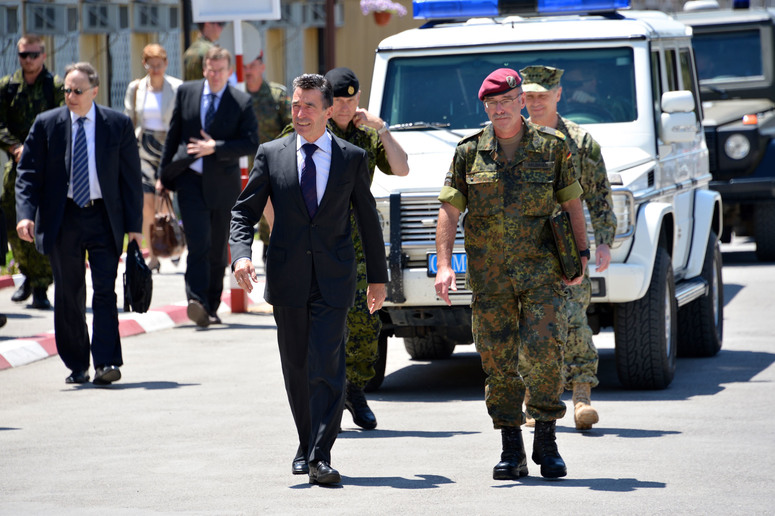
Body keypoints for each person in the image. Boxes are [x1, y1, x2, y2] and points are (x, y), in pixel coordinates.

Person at [230, 74, 388, 485]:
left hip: (334, 278)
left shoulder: (351, 157)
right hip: (287, 277)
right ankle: (305, 441)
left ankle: (320, 453)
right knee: (296, 366)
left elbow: (369, 222)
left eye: (309, 107)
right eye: (296, 106)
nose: (300, 114)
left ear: (328, 110)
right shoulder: (271, 154)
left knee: (328, 363)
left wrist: (378, 279)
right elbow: (243, 212)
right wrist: (241, 257)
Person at [434, 68, 588, 480]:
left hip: (542, 272)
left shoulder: (552, 147)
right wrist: (445, 264)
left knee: (544, 355)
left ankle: (547, 442)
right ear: (485, 106)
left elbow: (572, 203)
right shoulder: (469, 152)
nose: (499, 110)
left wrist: (581, 256)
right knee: (497, 360)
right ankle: (510, 448)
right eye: (492, 104)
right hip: (490, 277)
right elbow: (449, 210)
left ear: (522, 101)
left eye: (506, 102)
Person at [15, 62, 143, 385]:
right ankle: (77, 363)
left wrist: (135, 229)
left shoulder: (117, 124)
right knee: (69, 294)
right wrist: (25, 215)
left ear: (94, 91)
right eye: (67, 90)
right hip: (64, 218)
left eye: (77, 91)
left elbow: (130, 180)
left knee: (104, 291)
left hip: (103, 218)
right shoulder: (47, 124)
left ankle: (107, 362)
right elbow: (27, 174)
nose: (70, 96)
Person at [520, 65, 617, 431]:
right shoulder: (515, 137)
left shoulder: (580, 142)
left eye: (542, 96)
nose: (535, 103)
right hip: (525, 248)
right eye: (529, 96)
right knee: (529, 326)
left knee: (574, 321)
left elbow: (599, 195)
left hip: (566, 247)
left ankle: (581, 398)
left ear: (558, 95)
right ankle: (534, 399)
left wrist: (604, 240)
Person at [323, 66, 409, 430]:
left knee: (363, 324)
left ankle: (354, 390)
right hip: (319, 243)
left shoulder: (366, 135)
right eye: (338, 100)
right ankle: (328, 397)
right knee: (326, 324)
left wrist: (382, 128)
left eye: (351, 100)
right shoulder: (309, 129)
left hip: (359, 243)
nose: (344, 107)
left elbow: (402, 169)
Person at [159, 46, 257, 328]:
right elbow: (173, 135)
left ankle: (211, 306)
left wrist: (216, 147)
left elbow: (250, 142)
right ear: (204, 70)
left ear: (229, 72)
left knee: (216, 249)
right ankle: (197, 301)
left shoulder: (240, 101)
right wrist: (163, 176)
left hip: (223, 186)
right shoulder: (187, 92)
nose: (215, 75)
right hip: (189, 181)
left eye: (221, 71)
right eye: (211, 70)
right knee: (198, 244)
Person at [0, 34, 64, 310]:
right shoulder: (8, 86)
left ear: (43, 55)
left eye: (33, 55)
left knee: (43, 221)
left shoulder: (55, 86)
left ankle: (42, 284)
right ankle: (26, 274)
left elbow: (63, 122)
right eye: (23, 55)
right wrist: (15, 147)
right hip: (17, 164)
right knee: (13, 220)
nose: (28, 60)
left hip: (47, 167)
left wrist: (38, 149)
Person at [124, 43, 183, 272]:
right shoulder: (136, 88)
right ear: (144, 64)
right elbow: (129, 119)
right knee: (146, 204)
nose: (156, 69)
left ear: (166, 64)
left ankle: (173, 238)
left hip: (168, 146)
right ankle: (155, 253)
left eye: (159, 65)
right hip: (143, 148)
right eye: (151, 65)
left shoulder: (177, 88)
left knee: (164, 199)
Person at [243, 50, 292, 262]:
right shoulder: (236, 95)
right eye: (244, 66)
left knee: (272, 205)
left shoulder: (276, 95)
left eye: (252, 65)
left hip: (272, 162)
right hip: (242, 163)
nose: (248, 71)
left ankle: (268, 248)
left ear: (262, 67)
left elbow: (291, 127)